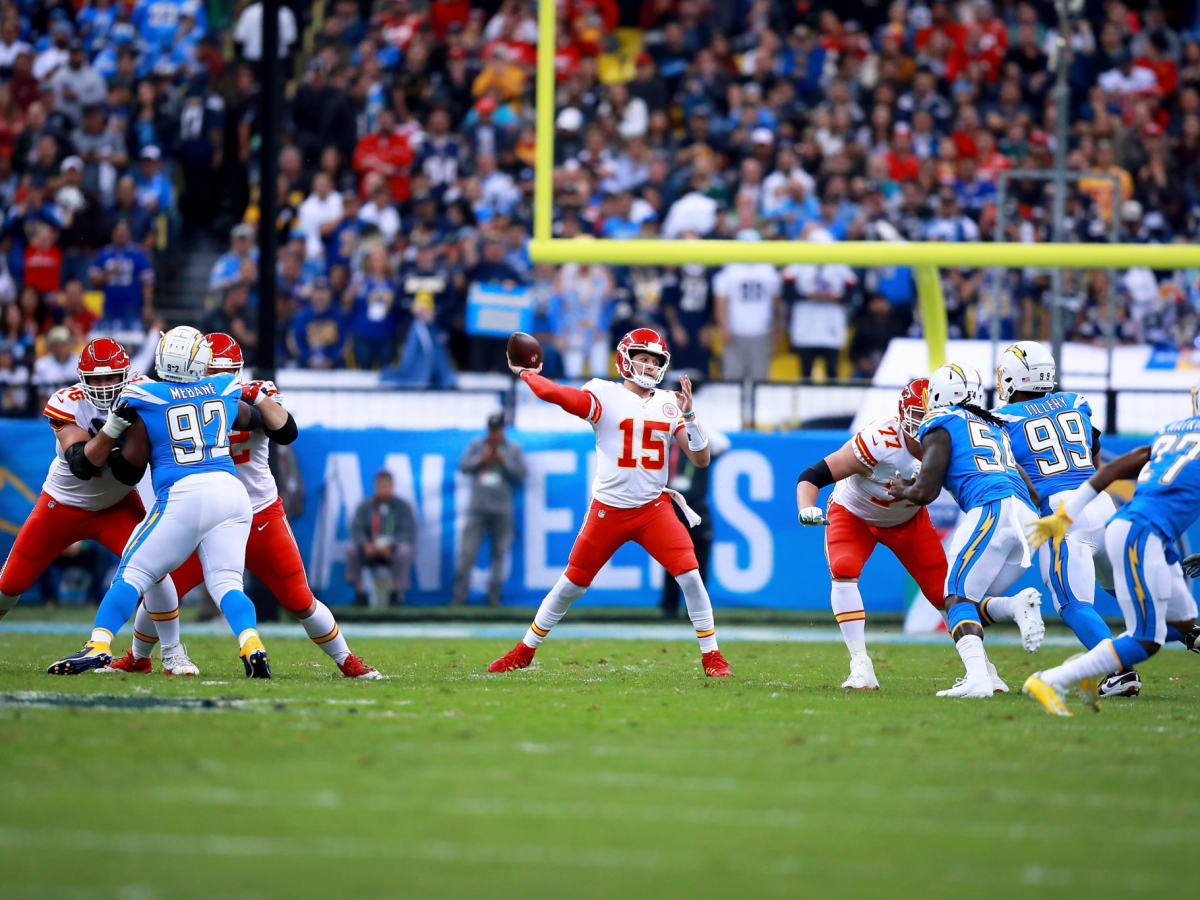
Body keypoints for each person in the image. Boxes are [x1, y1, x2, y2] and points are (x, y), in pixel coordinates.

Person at [106, 334, 379, 678]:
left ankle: (346, 660)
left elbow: (286, 431)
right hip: (210, 513)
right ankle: (138, 656)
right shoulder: (206, 394)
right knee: (162, 584)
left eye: (225, 370)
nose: (219, 375)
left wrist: (260, 397)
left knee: (298, 598)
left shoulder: (234, 393)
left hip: (255, 512)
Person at [488, 327, 731, 677]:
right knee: (572, 584)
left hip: (653, 508)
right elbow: (559, 395)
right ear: (625, 359)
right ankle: (524, 650)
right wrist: (528, 374)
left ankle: (712, 656)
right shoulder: (604, 393)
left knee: (690, 576)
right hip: (609, 509)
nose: (648, 366)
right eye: (642, 359)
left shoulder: (668, 402)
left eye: (655, 360)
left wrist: (690, 417)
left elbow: (701, 459)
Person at [46, 326, 270, 678]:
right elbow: (255, 418)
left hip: (184, 493)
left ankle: (99, 644)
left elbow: (126, 456)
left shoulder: (141, 392)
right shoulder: (225, 386)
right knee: (227, 582)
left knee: (132, 573)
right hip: (231, 492)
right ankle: (251, 641)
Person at [1, 338, 198, 673]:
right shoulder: (67, 401)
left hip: (117, 504)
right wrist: (115, 426)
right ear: (82, 379)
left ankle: (173, 653)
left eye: (111, 378)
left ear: (126, 373)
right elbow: (83, 464)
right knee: (10, 583)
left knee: (157, 573)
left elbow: (138, 461)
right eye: (96, 379)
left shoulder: (143, 390)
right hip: (62, 504)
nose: (105, 386)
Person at [794, 378, 979, 689]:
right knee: (844, 570)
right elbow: (812, 475)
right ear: (904, 415)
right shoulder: (879, 440)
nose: (924, 426)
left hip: (907, 520)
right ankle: (860, 665)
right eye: (919, 417)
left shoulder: (954, 442)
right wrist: (805, 507)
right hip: (853, 513)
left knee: (945, 593)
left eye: (931, 416)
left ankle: (981, 669)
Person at [887, 363, 1044, 698]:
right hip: (1027, 516)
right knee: (969, 601)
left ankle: (977, 679)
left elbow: (926, 492)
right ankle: (1015, 609)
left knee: (955, 596)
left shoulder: (940, 421)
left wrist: (903, 488)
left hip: (992, 506)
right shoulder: (993, 425)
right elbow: (1028, 486)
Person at [1023, 424, 1200, 716]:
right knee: (1146, 638)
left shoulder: (1172, 431)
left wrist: (1067, 513)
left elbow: (1111, 469)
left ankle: (1094, 663)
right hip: (1141, 533)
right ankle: (1051, 679)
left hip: (1140, 529)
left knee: (1183, 623)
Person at [992, 341, 1133, 696]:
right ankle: (1188, 629)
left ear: (1012, 378)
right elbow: (1095, 454)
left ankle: (1120, 670)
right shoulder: (1075, 403)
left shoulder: (1003, 419)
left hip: (1061, 514)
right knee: (1125, 589)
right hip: (1099, 502)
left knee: (1071, 603)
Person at [452, 411, 526, 606]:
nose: (494, 434)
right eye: (492, 430)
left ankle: (494, 599)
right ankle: (459, 599)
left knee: (499, 555)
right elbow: (463, 466)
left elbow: (521, 475)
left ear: (503, 430)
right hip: (478, 508)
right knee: (467, 553)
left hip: (502, 509)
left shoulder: (513, 449)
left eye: (498, 430)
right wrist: (481, 461)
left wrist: (505, 463)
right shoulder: (477, 446)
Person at [713, 232, 782, 382]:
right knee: (734, 380)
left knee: (759, 380)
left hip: (761, 331)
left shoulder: (767, 269)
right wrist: (725, 328)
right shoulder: (732, 269)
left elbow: (775, 303)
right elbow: (721, 303)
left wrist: (776, 327)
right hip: (737, 331)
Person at [346, 469, 415, 606]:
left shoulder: (403, 507)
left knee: (405, 551)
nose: (383, 489)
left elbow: (408, 532)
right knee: (352, 551)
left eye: (386, 486)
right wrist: (365, 544)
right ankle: (360, 593)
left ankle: (396, 594)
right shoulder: (365, 506)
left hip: (391, 551)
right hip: (369, 550)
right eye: (380, 486)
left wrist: (391, 545)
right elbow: (356, 529)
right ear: (375, 486)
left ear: (392, 486)